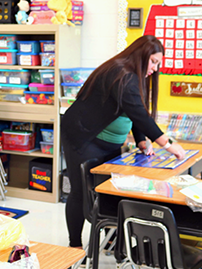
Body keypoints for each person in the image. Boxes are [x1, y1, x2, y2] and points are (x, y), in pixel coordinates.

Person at [61, 35, 185, 250]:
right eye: (154, 61)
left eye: (158, 64)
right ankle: (73, 247)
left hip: (107, 141)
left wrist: (141, 141)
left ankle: (111, 240)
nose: (155, 68)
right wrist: (168, 144)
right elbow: (140, 114)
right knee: (81, 192)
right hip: (83, 136)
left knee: (109, 190)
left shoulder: (134, 77)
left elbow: (135, 112)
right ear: (141, 55)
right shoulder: (121, 74)